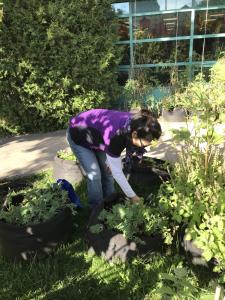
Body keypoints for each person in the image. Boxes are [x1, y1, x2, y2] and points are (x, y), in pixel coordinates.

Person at [66, 108, 162, 209]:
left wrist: (110, 161)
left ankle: (110, 203)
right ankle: (96, 208)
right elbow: (117, 171)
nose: (143, 148)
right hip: (78, 135)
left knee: (108, 171)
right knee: (95, 175)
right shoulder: (117, 135)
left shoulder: (136, 124)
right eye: (143, 145)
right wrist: (133, 196)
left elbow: (112, 148)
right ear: (134, 134)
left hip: (98, 137)